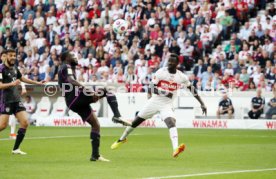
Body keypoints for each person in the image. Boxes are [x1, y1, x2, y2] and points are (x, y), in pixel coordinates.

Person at [111, 53, 207, 158]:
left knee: (171, 122)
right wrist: (165, 92)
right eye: (169, 61)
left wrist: (202, 103)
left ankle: (175, 149)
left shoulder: (181, 77)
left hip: (167, 105)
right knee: (135, 123)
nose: (169, 63)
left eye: (172, 61)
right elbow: (151, 88)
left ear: (177, 64)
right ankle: (122, 139)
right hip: (154, 102)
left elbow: (192, 89)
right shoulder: (161, 72)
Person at [58, 51, 129, 162]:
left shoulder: (64, 68)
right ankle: (117, 116)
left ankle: (95, 155)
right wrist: (88, 91)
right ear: (66, 58)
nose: (75, 58)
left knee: (95, 125)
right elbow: (71, 80)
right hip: (75, 97)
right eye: (73, 56)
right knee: (107, 90)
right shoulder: (66, 66)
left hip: (72, 102)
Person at [0, 49, 46, 154]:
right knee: (3, 126)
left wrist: (37, 82)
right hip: (6, 100)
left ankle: (16, 149)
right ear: (6, 56)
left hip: (16, 99)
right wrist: (12, 84)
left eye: (14, 55)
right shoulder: (1, 68)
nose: (13, 57)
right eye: (11, 55)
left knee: (25, 122)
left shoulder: (15, 68)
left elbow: (22, 78)